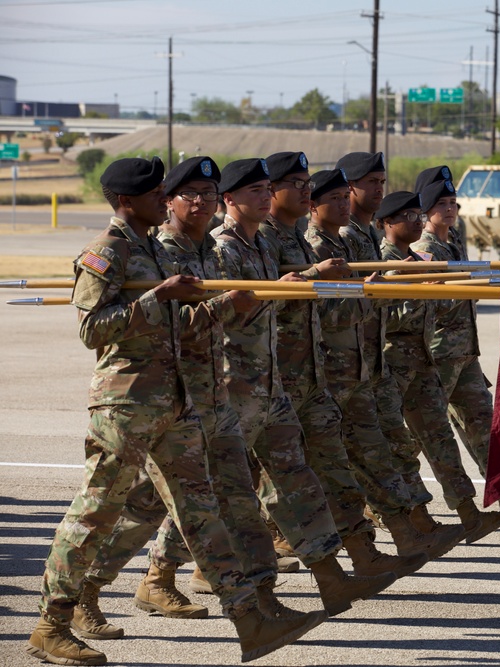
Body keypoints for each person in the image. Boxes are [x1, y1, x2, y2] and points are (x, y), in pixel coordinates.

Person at [26, 156, 325, 666]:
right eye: (154, 194)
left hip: (179, 400)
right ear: (125, 201)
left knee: (202, 511)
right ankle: (50, 625)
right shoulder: (108, 251)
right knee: (95, 513)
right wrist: (158, 298)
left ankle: (248, 616)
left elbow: (182, 323)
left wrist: (227, 305)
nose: (163, 200)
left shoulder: (158, 250)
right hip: (127, 404)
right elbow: (92, 329)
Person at [210, 158, 394, 616]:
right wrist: (309, 281)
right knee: (215, 492)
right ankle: (164, 572)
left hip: (279, 382)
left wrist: (352, 291)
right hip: (239, 385)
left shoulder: (266, 244)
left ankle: (331, 577)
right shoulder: (222, 249)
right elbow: (235, 312)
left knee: (298, 482)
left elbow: (300, 308)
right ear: (230, 199)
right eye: (289, 184)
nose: (304, 191)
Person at [259, 152, 430, 578]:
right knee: (237, 479)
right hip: (275, 379)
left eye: (307, 185)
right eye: (296, 185)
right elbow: (300, 309)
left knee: (334, 465)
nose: (305, 192)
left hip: (320, 375)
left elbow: (320, 310)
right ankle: (174, 570)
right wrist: (363, 294)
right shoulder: (274, 243)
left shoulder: (295, 240)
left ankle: (361, 554)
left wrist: (374, 290)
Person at [304, 169, 465, 562]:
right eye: (338, 197)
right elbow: (324, 310)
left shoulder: (349, 240)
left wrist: (382, 293)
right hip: (323, 371)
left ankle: (404, 533)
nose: (346, 203)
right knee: (304, 468)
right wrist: (379, 293)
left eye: (347, 196)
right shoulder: (319, 245)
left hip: (362, 368)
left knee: (378, 451)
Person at [412, 167, 500, 529]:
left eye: (452, 203)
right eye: (441, 204)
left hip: (465, 352)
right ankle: (384, 502)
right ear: (426, 210)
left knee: (483, 426)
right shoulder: (423, 250)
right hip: (439, 352)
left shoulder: (454, 240)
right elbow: (431, 303)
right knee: (419, 434)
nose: (449, 210)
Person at [376, 191, 500, 544]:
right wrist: (430, 295)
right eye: (407, 215)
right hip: (398, 365)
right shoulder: (384, 262)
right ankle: (393, 515)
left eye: (415, 213)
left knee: (440, 438)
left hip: (425, 362)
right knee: (400, 445)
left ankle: (469, 514)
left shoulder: (417, 256)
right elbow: (384, 317)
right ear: (387, 223)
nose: (415, 220)